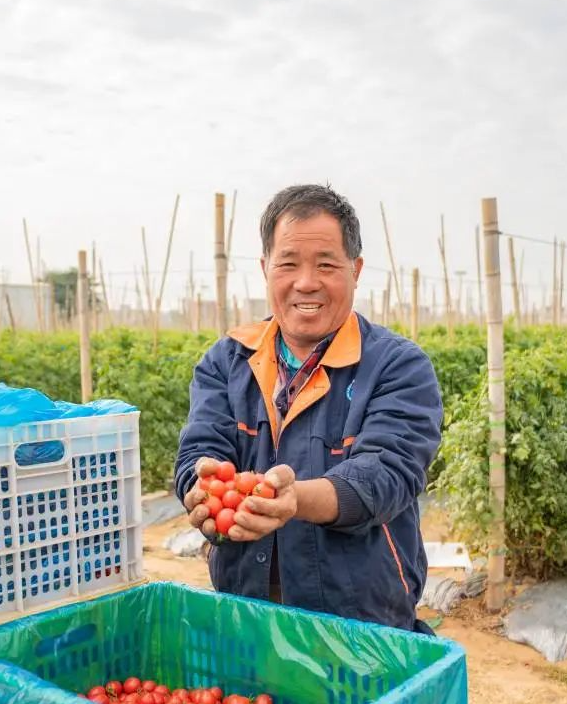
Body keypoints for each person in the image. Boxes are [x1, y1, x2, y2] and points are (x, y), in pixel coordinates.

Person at [175, 184, 442, 631]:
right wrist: (202, 484)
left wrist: (295, 499)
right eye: (288, 264)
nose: (306, 282)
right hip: (247, 615)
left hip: (362, 626)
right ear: (265, 268)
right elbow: (199, 448)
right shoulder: (227, 360)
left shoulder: (396, 365)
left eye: (326, 265)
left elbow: (386, 474)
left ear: (355, 270)